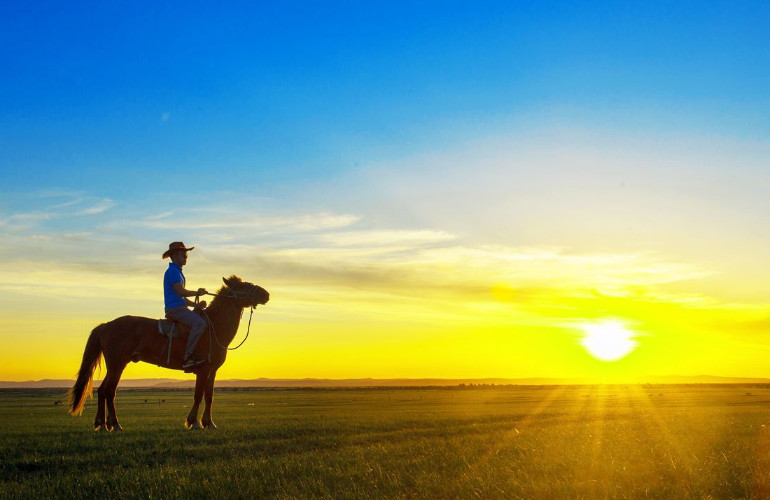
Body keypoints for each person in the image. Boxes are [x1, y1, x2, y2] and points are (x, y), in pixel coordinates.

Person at [162, 242, 208, 370]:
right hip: (175, 309)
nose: (186, 256)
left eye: (186, 253)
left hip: (179, 307)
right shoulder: (173, 272)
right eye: (183, 253)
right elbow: (181, 292)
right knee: (200, 324)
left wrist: (196, 305)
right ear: (175, 256)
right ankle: (187, 358)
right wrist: (197, 293)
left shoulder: (177, 271)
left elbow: (181, 297)